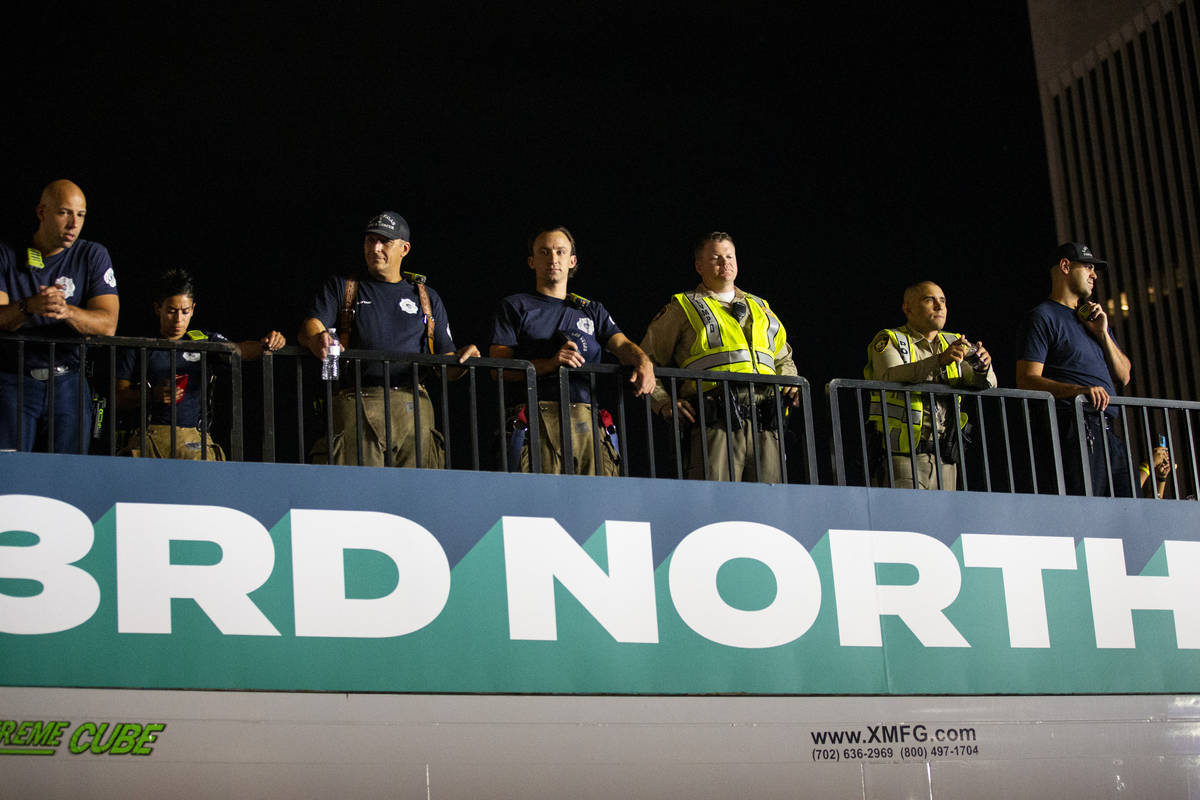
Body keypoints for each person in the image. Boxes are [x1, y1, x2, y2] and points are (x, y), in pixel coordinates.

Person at [298, 211, 479, 468]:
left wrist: (465, 360)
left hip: (413, 405)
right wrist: (320, 337)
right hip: (356, 401)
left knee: (414, 496)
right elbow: (311, 325)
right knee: (357, 495)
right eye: (370, 240)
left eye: (385, 241)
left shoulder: (426, 297)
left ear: (404, 249)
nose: (375, 248)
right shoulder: (344, 287)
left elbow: (446, 361)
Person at [489, 226, 655, 475]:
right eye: (544, 252)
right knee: (539, 502)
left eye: (560, 252)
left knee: (596, 503)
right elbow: (499, 370)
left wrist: (644, 362)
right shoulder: (515, 306)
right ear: (532, 261)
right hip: (536, 418)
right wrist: (550, 363)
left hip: (587, 419)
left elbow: (621, 345)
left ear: (572, 261)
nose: (553, 259)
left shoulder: (591, 310)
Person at [640, 231, 798, 482]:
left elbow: (782, 358)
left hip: (766, 422)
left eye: (729, 256)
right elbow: (645, 360)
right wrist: (664, 403)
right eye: (716, 258)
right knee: (716, 504)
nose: (725, 263)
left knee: (769, 506)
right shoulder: (683, 306)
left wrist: (790, 382)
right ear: (699, 266)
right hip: (716, 423)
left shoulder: (761, 307)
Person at [0, 179, 119, 453]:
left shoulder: (92, 254)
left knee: (69, 474)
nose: (73, 223)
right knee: (8, 476)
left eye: (81, 215)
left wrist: (66, 311)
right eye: (64, 212)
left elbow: (108, 324)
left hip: (68, 382)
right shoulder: (7, 253)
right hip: (13, 381)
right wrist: (29, 306)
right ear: (41, 212)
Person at [116, 268, 285, 459]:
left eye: (185, 311)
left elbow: (240, 350)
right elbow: (118, 397)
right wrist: (151, 394)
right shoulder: (140, 345)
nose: (178, 319)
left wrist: (268, 343)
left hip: (194, 439)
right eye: (171, 311)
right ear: (158, 308)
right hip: (150, 436)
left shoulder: (203, 341)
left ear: (193, 309)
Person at [1016, 242, 1133, 496]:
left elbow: (1124, 374)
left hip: (1109, 431)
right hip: (1075, 428)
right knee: (1089, 514)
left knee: (1127, 513)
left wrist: (1102, 334)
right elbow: (1026, 379)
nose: (1094, 275)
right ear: (1065, 266)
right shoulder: (1042, 316)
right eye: (1088, 267)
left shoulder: (1091, 319)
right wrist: (1079, 390)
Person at [863, 281, 997, 490]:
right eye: (929, 300)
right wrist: (939, 361)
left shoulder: (954, 341)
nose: (939, 306)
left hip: (946, 456)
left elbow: (988, 384)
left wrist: (982, 367)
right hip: (904, 457)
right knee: (908, 521)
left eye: (942, 300)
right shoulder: (890, 338)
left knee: (945, 522)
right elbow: (889, 375)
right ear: (908, 308)